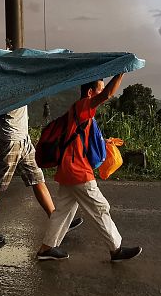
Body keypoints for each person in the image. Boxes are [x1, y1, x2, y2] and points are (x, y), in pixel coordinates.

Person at [36, 74, 142, 262]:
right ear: (91, 92)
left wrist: (105, 141)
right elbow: (108, 94)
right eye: (98, 89)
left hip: (68, 170)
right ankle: (116, 250)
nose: (101, 93)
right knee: (100, 208)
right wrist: (121, 72)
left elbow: (81, 138)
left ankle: (46, 249)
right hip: (78, 172)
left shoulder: (79, 112)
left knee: (63, 211)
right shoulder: (84, 105)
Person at [0, 106, 82, 245]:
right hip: (10, 139)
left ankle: (57, 222)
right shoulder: (9, 85)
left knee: (37, 178)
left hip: (24, 138)